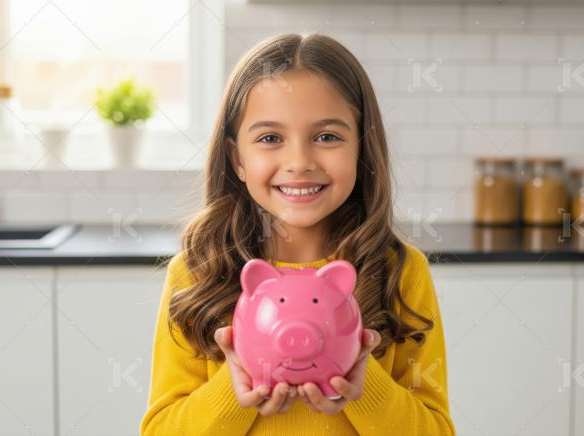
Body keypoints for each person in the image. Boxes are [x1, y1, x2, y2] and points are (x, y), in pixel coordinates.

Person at [141, 32, 456, 435]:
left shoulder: (399, 271)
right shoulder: (199, 271)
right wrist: (233, 387)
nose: (299, 162)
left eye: (327, 137)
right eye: (270, 138)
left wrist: (365, 386)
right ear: (237, 158)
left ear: (362, 147)